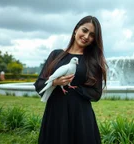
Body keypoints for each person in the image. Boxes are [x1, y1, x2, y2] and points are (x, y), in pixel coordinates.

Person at [34, 15, 107, 144]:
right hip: (55, 113)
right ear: (76, 30)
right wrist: (55, 82)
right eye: (84, 30)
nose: (86, 36)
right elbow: (39, 83)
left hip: (80, 116)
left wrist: (74, 87)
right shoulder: (56, 55)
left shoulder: (93, 61)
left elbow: (96, 94)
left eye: (91, 35)